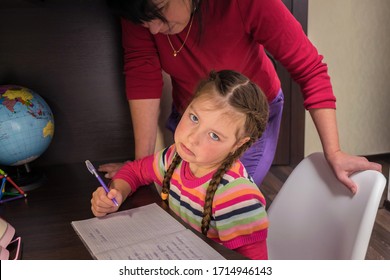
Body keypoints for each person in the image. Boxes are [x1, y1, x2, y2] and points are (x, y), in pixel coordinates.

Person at [99, 0, 381, 193]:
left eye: (159, 9)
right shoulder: (142, 13)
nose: (154, 30)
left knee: (221, 198)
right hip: (194, 115)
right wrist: (141, 166)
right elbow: (142, 77)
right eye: (143, 21)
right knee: (181, 194)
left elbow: (309, 68)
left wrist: (334, 151)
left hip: (248, 121)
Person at [91, 70, 270, 260]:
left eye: (214, 136)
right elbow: (135, 171)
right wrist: (117, 193)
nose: (192, 138)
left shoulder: (236, 197)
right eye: (194, 118)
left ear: (238, 144)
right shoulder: (173, 157)